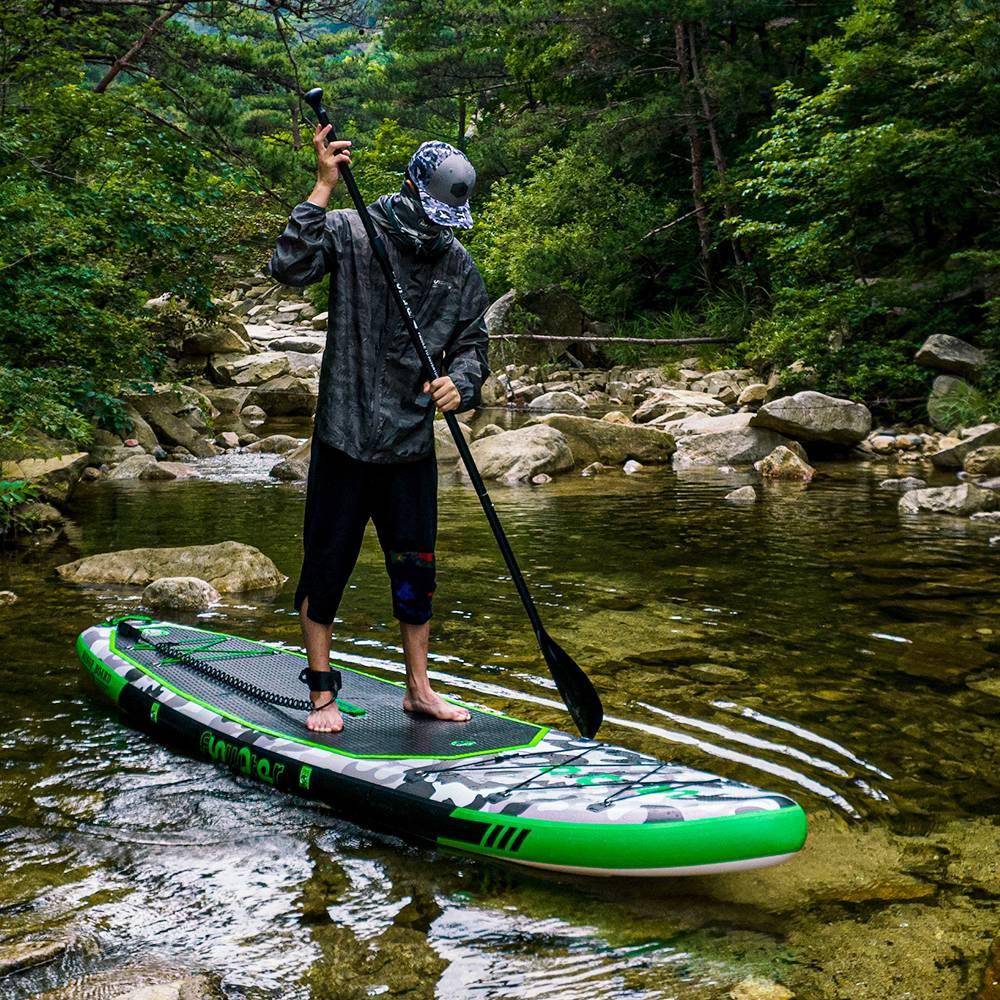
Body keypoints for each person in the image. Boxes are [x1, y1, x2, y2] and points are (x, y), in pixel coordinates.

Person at [268, 126, 490, 734]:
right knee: (326, 566)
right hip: (344, 437)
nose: (442, 228)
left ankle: (419, 689)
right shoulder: (351, 230)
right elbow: (288, 268)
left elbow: (473, 344)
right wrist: (322, 186)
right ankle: (321, 694)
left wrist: (460, 385)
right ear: (412, 189)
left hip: (411, 445)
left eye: (452, 219)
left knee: (416, 572)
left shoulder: (457, 265)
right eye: (436, 213)